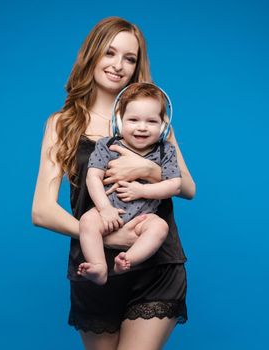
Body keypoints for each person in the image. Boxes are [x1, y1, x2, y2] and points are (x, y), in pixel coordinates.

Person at [32, 16, 195, 350]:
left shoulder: (152, 119)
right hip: (95, 264)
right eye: (110, 53)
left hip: (156, 263)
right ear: (92, 55)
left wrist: (148, 171)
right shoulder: (62, 124)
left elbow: (188, 188)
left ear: (137, 67)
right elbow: (42, 210)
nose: (118, 65)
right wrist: (100, 232)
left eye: (130, 58)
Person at [78, 82, 182, 286]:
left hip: (143, 217)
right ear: (119, 120)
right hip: (108, 212)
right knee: (87, 221)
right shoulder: (107, 146)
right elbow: (93, 178)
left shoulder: (165, 151)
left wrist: (142, 189)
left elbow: (175, 185)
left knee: (159, 227)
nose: (142, 127)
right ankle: (99, 266)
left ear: (163, 126)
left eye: (151, 121)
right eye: (133, 120)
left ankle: (128, 259)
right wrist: (105, 208)